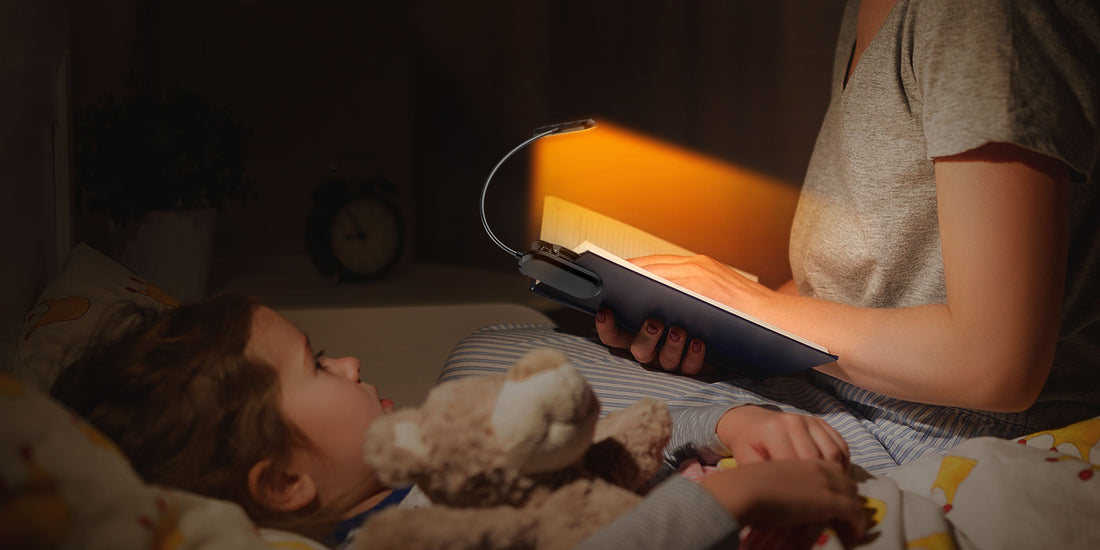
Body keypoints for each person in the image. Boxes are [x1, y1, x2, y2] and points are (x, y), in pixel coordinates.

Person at [596, 0, 1100, 462]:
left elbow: (994, 363)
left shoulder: (980, 16)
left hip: (944, 433)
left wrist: (754, 308)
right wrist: (727, 331)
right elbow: (863, 287)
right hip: (834, 392)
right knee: (530, 353)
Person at [51, 292, 869, 548]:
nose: (353, 365)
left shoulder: (442, 468)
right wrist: (730, 501)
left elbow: (600, 442)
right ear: (286, 481)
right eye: (317, 364)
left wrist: (715, 433)